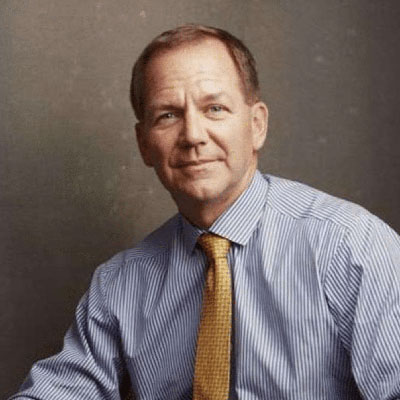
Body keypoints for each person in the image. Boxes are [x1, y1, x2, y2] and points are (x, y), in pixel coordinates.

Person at [10, 24, 400, 400]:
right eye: (168, 115)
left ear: (257, 125)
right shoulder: (120, 285)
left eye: (214, 108)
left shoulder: (351, 247)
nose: (193, 135)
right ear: (144, 143)